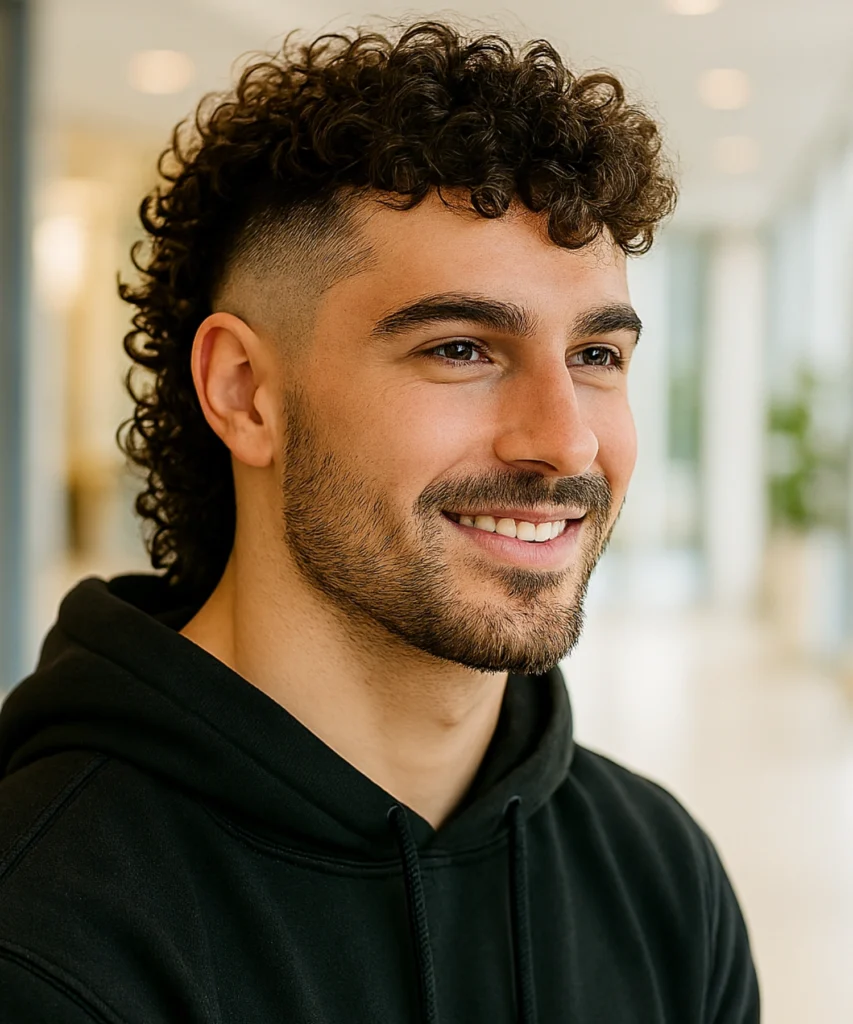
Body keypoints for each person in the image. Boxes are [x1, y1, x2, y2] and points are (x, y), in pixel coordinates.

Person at [0, 20, 760, 1023]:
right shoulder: (44, 932)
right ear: (246, 392)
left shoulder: (657, 876)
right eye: (460, 348)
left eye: (594, 356)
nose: (566, 443)